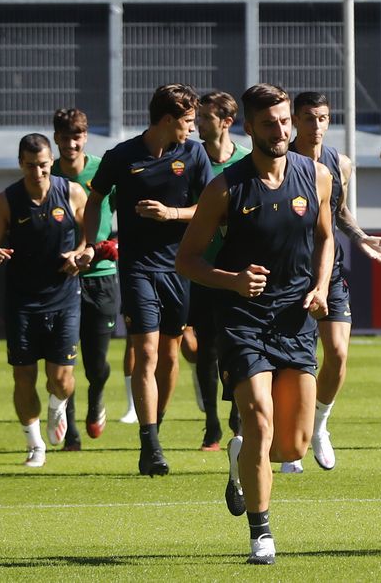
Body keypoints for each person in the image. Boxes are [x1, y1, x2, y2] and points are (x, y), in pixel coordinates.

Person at [176, 84, 334, 565]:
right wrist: (232, 279)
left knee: (292, 445)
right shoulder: (225, 187)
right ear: (249, 128)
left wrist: (322, 287)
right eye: (270, 123)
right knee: (260, 419)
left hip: (295, 319)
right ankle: (260, 533)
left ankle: (238, 456)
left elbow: (327, 239)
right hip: (243, 321)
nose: (282, 130)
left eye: (286, 121)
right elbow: (187, 260)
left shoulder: (318, 176)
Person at [80, 84, 213, 476]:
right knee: (147, 353)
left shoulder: (194, 153)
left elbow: (209, 207)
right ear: (168, 120)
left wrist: (171, 215)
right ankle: (149, 442)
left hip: (181, 268)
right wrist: (91, 242)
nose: (193, 128)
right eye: (189, 121)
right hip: (137, 268)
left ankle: (157, 420)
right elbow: (94, 199)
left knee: (171, 355)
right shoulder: (122, 155)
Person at [289, 90, 381, 471]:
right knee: (296, 364)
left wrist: (361, 236)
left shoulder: (341, 163)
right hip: (289, 274)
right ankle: (292, 443)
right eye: (308, 118)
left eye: (322, 118)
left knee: (337, 353)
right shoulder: (279, 161)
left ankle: (318, 426)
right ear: (295, 120)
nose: (316, 125)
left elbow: (340, 212)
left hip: (329, 271)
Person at [0, 134, 92, 467]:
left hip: (63, 297)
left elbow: (92, 231)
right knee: (23, 376)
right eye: (31, 166)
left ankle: (57, 405)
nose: (38, 172)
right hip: (21, 300)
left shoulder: (72, 191)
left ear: (51, 162)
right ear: (21, 164)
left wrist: (81, 252)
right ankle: (35, 444)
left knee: (61, 379)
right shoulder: (6, 200)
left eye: (43, 165)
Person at [183, 90, 251, 452]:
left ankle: (237, 420)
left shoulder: (244, 162)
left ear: (225, 122)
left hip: (238, 272)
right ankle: (211, 425)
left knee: (236, 349)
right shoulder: (193, 160)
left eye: (205, 118)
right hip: (201, 270)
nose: (197, 124)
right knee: (205, 349)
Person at [51, 107, 123, 448]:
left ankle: (97, 398)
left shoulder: (102, 170)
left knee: (96, 363)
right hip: (61, 279)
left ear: (85, 137)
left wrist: (104, 247)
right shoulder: (46, 173)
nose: (70, 144)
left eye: (76, 137)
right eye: (64, 137)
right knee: (63, 358)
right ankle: (71, 430)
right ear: (56, 139)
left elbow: (125, 218)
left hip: (101, 276)